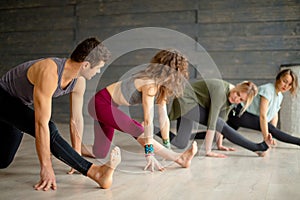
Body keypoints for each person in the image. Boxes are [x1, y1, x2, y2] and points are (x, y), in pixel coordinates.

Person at [0, 37, 121, 191]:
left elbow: (76, 119)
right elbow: (41, 124)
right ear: (85, 64)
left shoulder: (79, 81)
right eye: (98, 68)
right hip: (3, 97)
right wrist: (46, 167)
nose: (98, 72)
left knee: (3, 160)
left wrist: (76, 156)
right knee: (49, 127)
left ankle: (89, 169)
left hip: (18, 105)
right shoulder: (49, 72)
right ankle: (96, 173)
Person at [83, 49, 198, 171]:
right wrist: (149, 153)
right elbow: (148, 120)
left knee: (99, 152)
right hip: (100, 103)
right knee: (137, 128)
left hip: (108, 106)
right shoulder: (149, 84)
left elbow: (163, 117)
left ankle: (74, 149)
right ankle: (179, 158)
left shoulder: (161, 87)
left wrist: (167, 144)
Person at [164, 79, 272, 158]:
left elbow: (222, 121)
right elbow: (213, 123)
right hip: (185, 100)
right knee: (217, 122)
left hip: (193, 104)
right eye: (237, 93)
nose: (236, 98)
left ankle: (154, 129)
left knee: (180, 143)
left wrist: (219, 144)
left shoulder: (231, 101)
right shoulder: (221, 91)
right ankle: (256, 147)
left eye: (241, 99)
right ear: (237, 86)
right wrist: (208, 151)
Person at [226, 69, 300, 147]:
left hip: (243, 117)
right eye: (285, 81)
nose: (286, 86)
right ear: (279, 78)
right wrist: (266, 139)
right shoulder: (268, 89)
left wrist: (272, 135)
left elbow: (274, 115)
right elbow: (263, 116)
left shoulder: (280, 96)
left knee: (223, 131)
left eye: (290, 84)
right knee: (269, 128)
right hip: (239, 113)